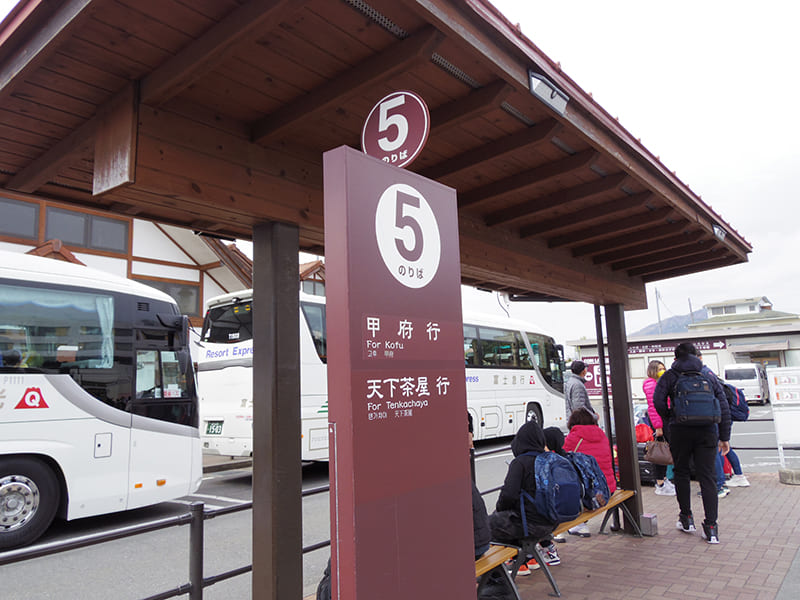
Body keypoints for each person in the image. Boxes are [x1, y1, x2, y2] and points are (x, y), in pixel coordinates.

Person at [654, 343, 731, 544]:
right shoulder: (708, 375)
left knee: (681, 472)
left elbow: (658, 400)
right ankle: (711, 528)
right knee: (708, 477)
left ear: (675, 357)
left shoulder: (670, 375)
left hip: (680, 430)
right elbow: (723, 407)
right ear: (696, 356)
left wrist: (670, 417)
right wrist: (724, 437)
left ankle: (686, 519)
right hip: (707, 431)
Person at [489, 420, 559, 575]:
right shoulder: (550, 459)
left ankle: (507, 568)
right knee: (514, 519)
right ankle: (529, 559)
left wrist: (498, 512)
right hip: (553, 522)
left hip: (531, 526)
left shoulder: (520, 463)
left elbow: (507, 496)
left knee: (490, 525)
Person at [562, 408, 617, 537]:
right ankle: (580, 525)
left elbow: (559, 458)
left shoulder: (574, 437)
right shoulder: (601, 435)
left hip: (592, 493)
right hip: (609, 489)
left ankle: (578, 525)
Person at [696, 350, 734, 498]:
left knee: (713, 453)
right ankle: (720, 483)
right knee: (716, 450)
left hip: (710, 418)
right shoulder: (709, 373)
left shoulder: (703, 374)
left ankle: (718, 485)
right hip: (715, 417)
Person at [643, 360, 675, 496]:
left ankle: (663, 479)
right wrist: (658, 426)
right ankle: (660, 483)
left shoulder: (661, 382)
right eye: (659, 369)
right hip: (660, 421)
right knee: (660, 451)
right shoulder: (651, 384)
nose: (663, 371)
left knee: (665, 450)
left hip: (665, 419)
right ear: (653, 371)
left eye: (663, 368)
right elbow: (653, 407)